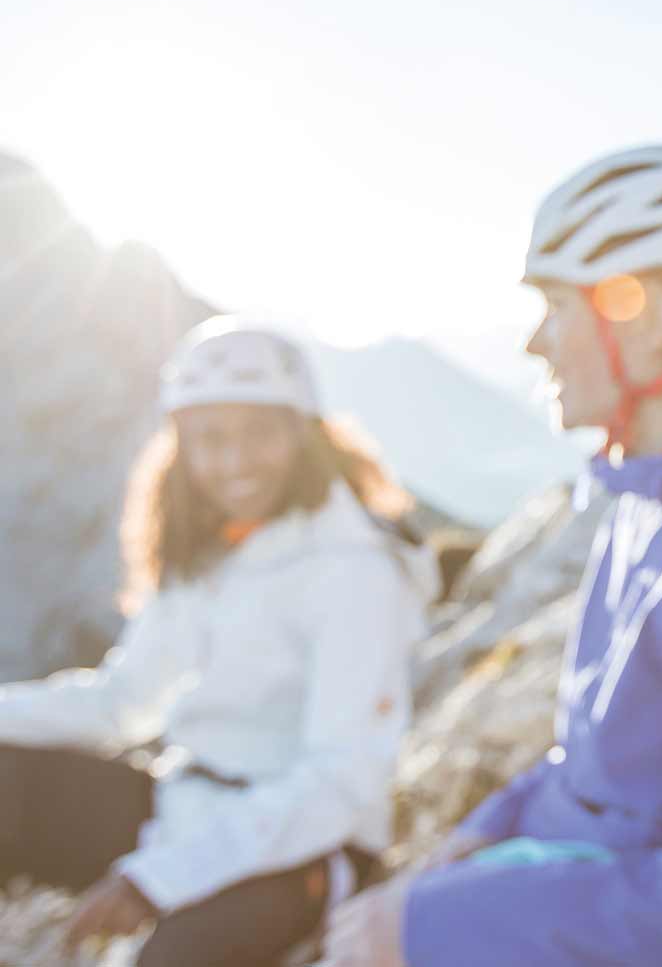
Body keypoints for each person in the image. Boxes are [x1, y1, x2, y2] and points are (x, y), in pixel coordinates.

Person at [325, 146, 662, 967]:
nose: (535, 343)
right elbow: (599, 772)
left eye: (555, 305)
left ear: (639, 315)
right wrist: (486, 830)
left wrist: (434, 928)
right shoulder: (648, 501)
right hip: (575, 885)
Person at [0, 318, 433, 966]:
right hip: (182, 804)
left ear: (303, 432)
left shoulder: (357, 568)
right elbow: (124, 701)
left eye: (258, 433)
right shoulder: (209, 550)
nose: (234, 462)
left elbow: (339, 783)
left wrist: (157, 879)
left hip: (301, 850)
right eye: (211, 439)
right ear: (182, 446)